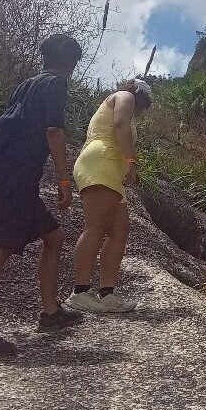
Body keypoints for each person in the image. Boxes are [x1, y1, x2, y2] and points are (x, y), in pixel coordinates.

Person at [0, 34, 84, 356]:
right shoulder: (56, 84)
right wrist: (65, 180)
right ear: (71, 62)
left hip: (12, 171)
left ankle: (51, 313)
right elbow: (53, 130)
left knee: (54, 236)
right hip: (16, 171)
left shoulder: (28, 84)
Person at [65, 78, 152, 313]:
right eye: (145, 103)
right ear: (140, 95)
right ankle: (80, 292)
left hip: (107, 168)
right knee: (96, 227)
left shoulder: (114, 105)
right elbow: (120, 124)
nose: (142, 110)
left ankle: (107, 293)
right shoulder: (126, 96)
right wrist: (131, 161)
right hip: (102, 164)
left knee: (120, 229)